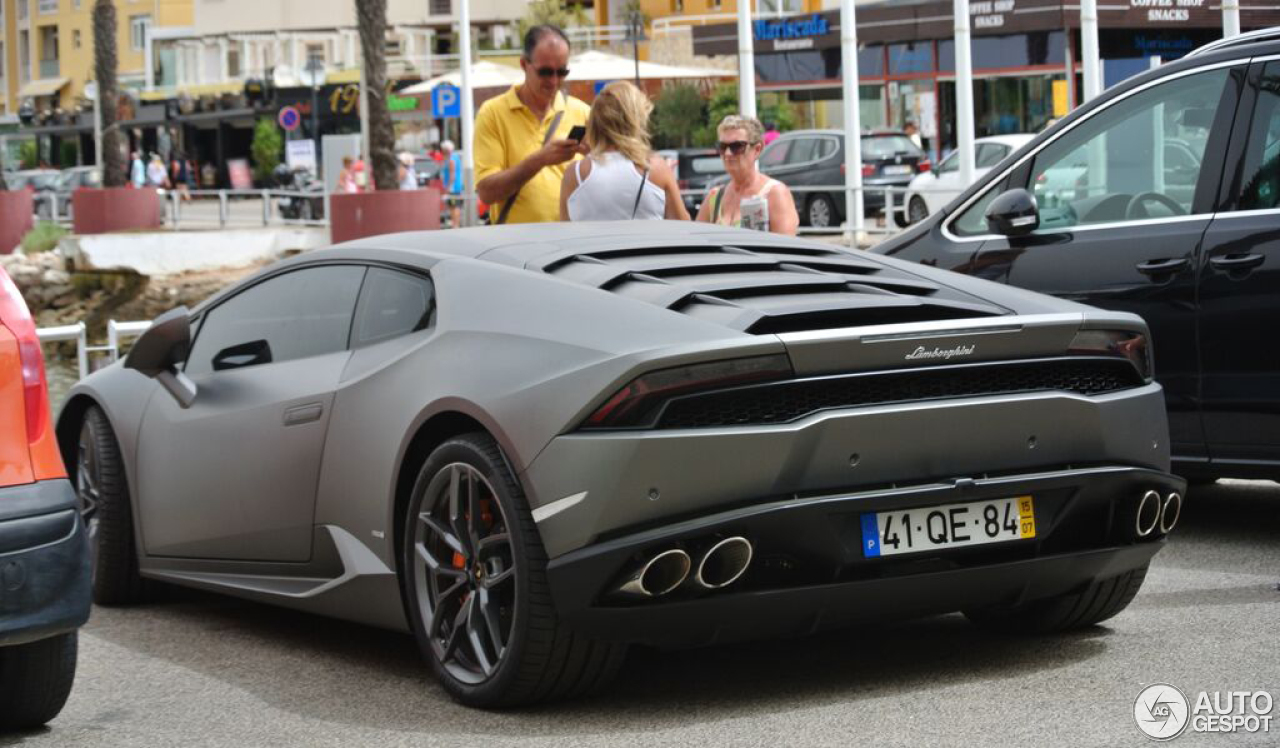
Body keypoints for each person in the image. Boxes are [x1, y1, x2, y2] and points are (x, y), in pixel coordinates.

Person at [474, 24, 591, 224]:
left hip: (572, 243)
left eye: (562, 72)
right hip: (516, 247)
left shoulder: (582, 112)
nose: (554, 81)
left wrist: (595, 157)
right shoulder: (492, 113)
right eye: (545, 72)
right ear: (523, 64)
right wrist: (540, 160)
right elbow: (486, 192)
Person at [559, 81, 689, 222]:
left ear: (595, 123)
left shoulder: (575, 174)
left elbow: (565, 230)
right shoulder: (656, 169)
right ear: (635, 120)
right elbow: (683, 224)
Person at [695, 115, 798, 235]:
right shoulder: (715, 197)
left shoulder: (774, 194)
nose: (728, 153)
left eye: (737, 147)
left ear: (757, 149)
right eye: (722, 147)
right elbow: (697, 244)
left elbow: (785, 249)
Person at [441, 140, 464, 228]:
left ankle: (455, 224)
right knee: (454, 206)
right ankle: (455, 224)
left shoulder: (451, 160)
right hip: (456, 187)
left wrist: (447, 188)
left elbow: (452, 176)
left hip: (453, 188)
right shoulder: (455, 157)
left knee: (454, 206)